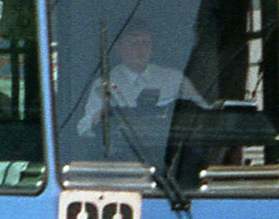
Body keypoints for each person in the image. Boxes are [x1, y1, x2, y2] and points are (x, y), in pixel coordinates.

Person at [77, 19, 208, 136]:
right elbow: (83, 128)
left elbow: (206, 116)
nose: (140, 48)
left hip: (170, 150)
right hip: (125, 155)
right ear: (118, 48)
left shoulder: (175, 79)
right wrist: (99, 118)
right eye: (132, 43)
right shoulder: (104, 84)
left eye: (145, 42)